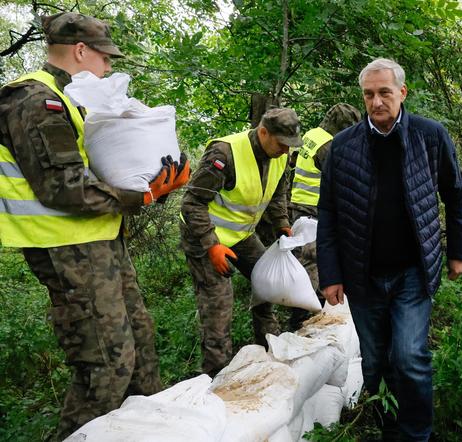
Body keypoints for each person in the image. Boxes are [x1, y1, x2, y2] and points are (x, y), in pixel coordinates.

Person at [0, 12, 190, 440]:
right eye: (105, 58)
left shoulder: (71, 100)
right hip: (69, 252)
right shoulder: (34, 99)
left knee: (140, 348)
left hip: (100, 243)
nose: (109, 68)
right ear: (81, 51)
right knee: (105, 369)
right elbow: (63, 188)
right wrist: (142, 196)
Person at [316, 58, 462, 441]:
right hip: (363, 273)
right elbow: (329, 212)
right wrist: (331, 273)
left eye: (385, 92)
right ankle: (391, 431)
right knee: (375, 364)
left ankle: (417, 434)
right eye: (369, 94)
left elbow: (456, 194)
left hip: (413, 270)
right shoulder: (342, 146)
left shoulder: (429, 136)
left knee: (409, 357)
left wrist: (459, 251)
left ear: (402, 92)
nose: (377, 101)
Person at [180, 107, 303, 377]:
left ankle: (269, 343)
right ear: (263, 132)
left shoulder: (281, 155)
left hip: (241, 236)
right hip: (205, 238)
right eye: (282, 144)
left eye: (290, 146)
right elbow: (192, 203)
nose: (286, 151)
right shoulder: (225, 153)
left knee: (267, 281)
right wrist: (211, 245)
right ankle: (216, 373)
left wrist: (282, 222)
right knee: (219, 304)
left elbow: (277, 191)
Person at [287, 103, 361, 330]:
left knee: (304, 264)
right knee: (314, 267)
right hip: (312, 212)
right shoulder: (328, 146)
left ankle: (301, 318)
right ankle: (307, 322)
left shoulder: (312, 135)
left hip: (299, 208)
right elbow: (344, 182)